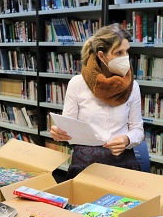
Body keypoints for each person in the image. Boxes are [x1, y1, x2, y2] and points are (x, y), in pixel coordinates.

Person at [50, 24, 144, 179]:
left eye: (127, 52)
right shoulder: (77, 83)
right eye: (119, 53)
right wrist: (59, 133)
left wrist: (127, 139)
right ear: (102, 56)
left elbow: (138, 130)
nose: (125, 57)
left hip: (122, 161)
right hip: (85, 164)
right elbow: (68, 127)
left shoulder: (132, 86)